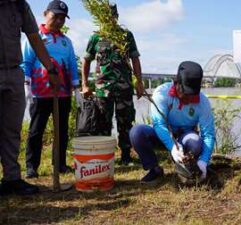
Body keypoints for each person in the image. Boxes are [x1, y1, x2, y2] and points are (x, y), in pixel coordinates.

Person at [0, 0, 59, 195]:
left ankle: (12, 179)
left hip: (14, 73)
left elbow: (34, 37)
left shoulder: (19, 5)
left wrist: (49, 67)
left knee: (12, 129)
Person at [129, 61, 215, 183]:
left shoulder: (203, 101)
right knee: (137, 132)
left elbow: (209, 135)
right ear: (177, 82)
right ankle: (154, 169)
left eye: (190, 94)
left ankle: (190, 168)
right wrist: (173, 147)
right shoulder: (161, 93)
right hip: (162, 134)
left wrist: (204, 161)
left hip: (186, 137)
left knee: (195, 144)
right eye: (184, 92)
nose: (187, 98)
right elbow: (159, 124)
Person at [21, 0, 80, 178]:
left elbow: (71, 65)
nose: (59, 21)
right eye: (56, 17)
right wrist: (27, 86)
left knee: (61, 130)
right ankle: (32, 166)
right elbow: (27, 62)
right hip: (40, 93)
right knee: (36, 130)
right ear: (46, 14)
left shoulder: (66, 42)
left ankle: (60, 163)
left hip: (62, 92)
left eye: (63, 18)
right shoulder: (36, 37)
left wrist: (76, 89)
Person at [81, 3, 144, 166]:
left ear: (116, 17)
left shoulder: (125, 36)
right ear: (102, 18)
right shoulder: (96, 38)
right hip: (103, 90)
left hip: (124, 88)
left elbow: (135, 59)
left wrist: (139, 83)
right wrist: (85, 84)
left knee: (126, 122)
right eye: (107, 17)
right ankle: (104, 157)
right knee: (103, 123)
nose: (110, 20)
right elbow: (86, 61)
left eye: (113, 16)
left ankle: (125, 156)